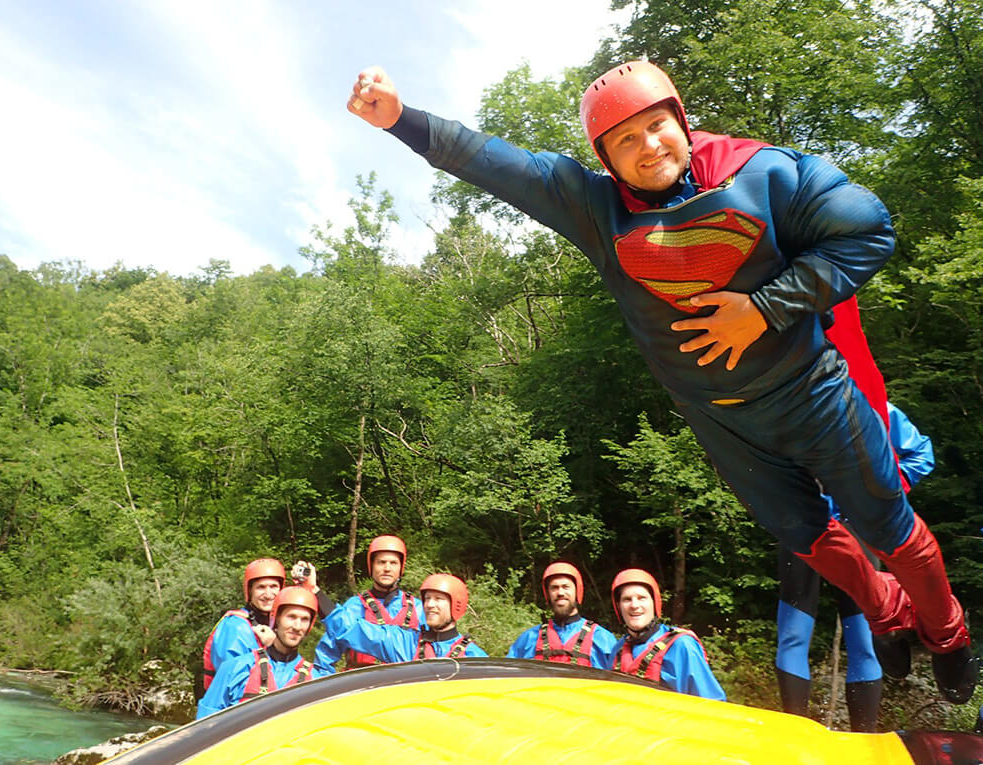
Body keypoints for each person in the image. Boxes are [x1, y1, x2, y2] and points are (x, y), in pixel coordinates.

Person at [345, 62, 977, 704]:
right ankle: (891, 613)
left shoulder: (766, 173)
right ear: (605, 157)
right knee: (804, 533)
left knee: (887, 522)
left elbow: (867, 229)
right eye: (626, 140)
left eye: (657, 126)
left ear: (680, 118)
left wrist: (763, 307)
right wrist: (400, 118)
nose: (649, 147)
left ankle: (949, 633)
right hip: (721, 418)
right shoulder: (595, 209)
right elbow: (494, 162)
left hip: (810, 392)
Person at [777, 403, 935, 731]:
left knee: (863, 640)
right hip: (802, 527)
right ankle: (793, 737)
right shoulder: (785, 401)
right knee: (793, 635)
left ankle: (865, 740)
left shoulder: (875, 406)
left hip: (858, 531)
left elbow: (922, 453)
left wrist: (878, 496)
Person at [197, 582, 325, 718]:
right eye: (291, 617)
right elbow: (206, 724)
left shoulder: (314, 680)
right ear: (276, 620)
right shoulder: (236, 668)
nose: (297, 626)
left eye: (304, 620)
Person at [312, 535, 426, 675]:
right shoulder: (354, 606)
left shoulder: (418, 608)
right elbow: (325, 657)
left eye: (393, 563)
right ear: (371, 565)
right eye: (381, 562)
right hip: (362, 684)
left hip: (406, 683)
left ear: (401, 567)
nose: (387, 568)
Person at [608, 568, 725, 699]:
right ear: (618, 606)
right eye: (627, 599)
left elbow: (712, 704)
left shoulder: (682, 645)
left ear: (654, 602)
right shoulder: (618, 649)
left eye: (642, 598)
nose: (634, 605)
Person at [323, 572, 487, 661]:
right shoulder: (404, 642)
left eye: (438, 599)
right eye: (427, 598)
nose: (429, 604)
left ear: (456, 606)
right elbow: (351, 629)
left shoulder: (473, 657)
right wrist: (316, 593)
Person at [506, 562, 617, 668]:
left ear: (577, 591)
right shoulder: (530, 638)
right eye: (554, 588)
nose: (560, 593)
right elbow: (508, 674)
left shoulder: (602, 638)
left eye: (566, 587)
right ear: (548, 595)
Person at [202, 558, 285, 691]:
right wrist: (271, 649)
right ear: (250, 591)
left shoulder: (273, 623)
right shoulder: (235, 627)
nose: (268, 594)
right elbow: (236, 686)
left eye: (274, 586)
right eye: (261, 587)